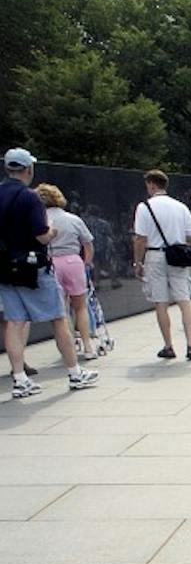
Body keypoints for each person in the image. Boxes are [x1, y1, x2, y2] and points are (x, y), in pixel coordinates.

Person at [1, 149, 98, 396]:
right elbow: (41, 236)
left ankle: (20, 378)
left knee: (14, 322)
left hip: (5, 267)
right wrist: (52, 231)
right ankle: (74, 372)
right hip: (34, 266)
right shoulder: (30, 197)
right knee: (58, 318)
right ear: (28, 169)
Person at [132, 168, 191, 360]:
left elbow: (140, 238)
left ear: (152, 184)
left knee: (161, 302)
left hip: (155, 255)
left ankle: (168, 345)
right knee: (184, 300)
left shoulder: (144, 207)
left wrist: (138, 261)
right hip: (178, 255)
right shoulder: (180, 207)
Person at [35, 183, 98, 359]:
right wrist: (87, 262)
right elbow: (88, 244)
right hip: (73, 261)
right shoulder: (73, 219)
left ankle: (68, 347)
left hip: (51, 263)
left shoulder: (39, 219)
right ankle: (87, 346)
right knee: (80, 306)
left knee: (60, 310)